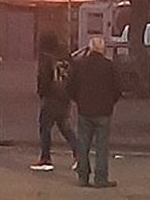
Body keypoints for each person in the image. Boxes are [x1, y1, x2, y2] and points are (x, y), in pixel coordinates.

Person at [65, 35, 123, 188]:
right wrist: (110, 102)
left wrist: (78, 100)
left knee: (83, 144)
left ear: (90, 48)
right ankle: (101, 178)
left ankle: (83, 177)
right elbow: (117, 89)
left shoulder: (80, 65)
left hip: (85, 110)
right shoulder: (109, 66)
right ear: (102, 49)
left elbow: (70, 86)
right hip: (104, 111)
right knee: (102, 146)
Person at [30, 32, 78, 171]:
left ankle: (46, 158)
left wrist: (41, 92)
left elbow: (44, 77)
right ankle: (79, 154)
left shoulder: (46, 57)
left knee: (45, 128)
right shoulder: (66, 56)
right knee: (65, 127)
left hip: (51, 96)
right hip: (65, 96)